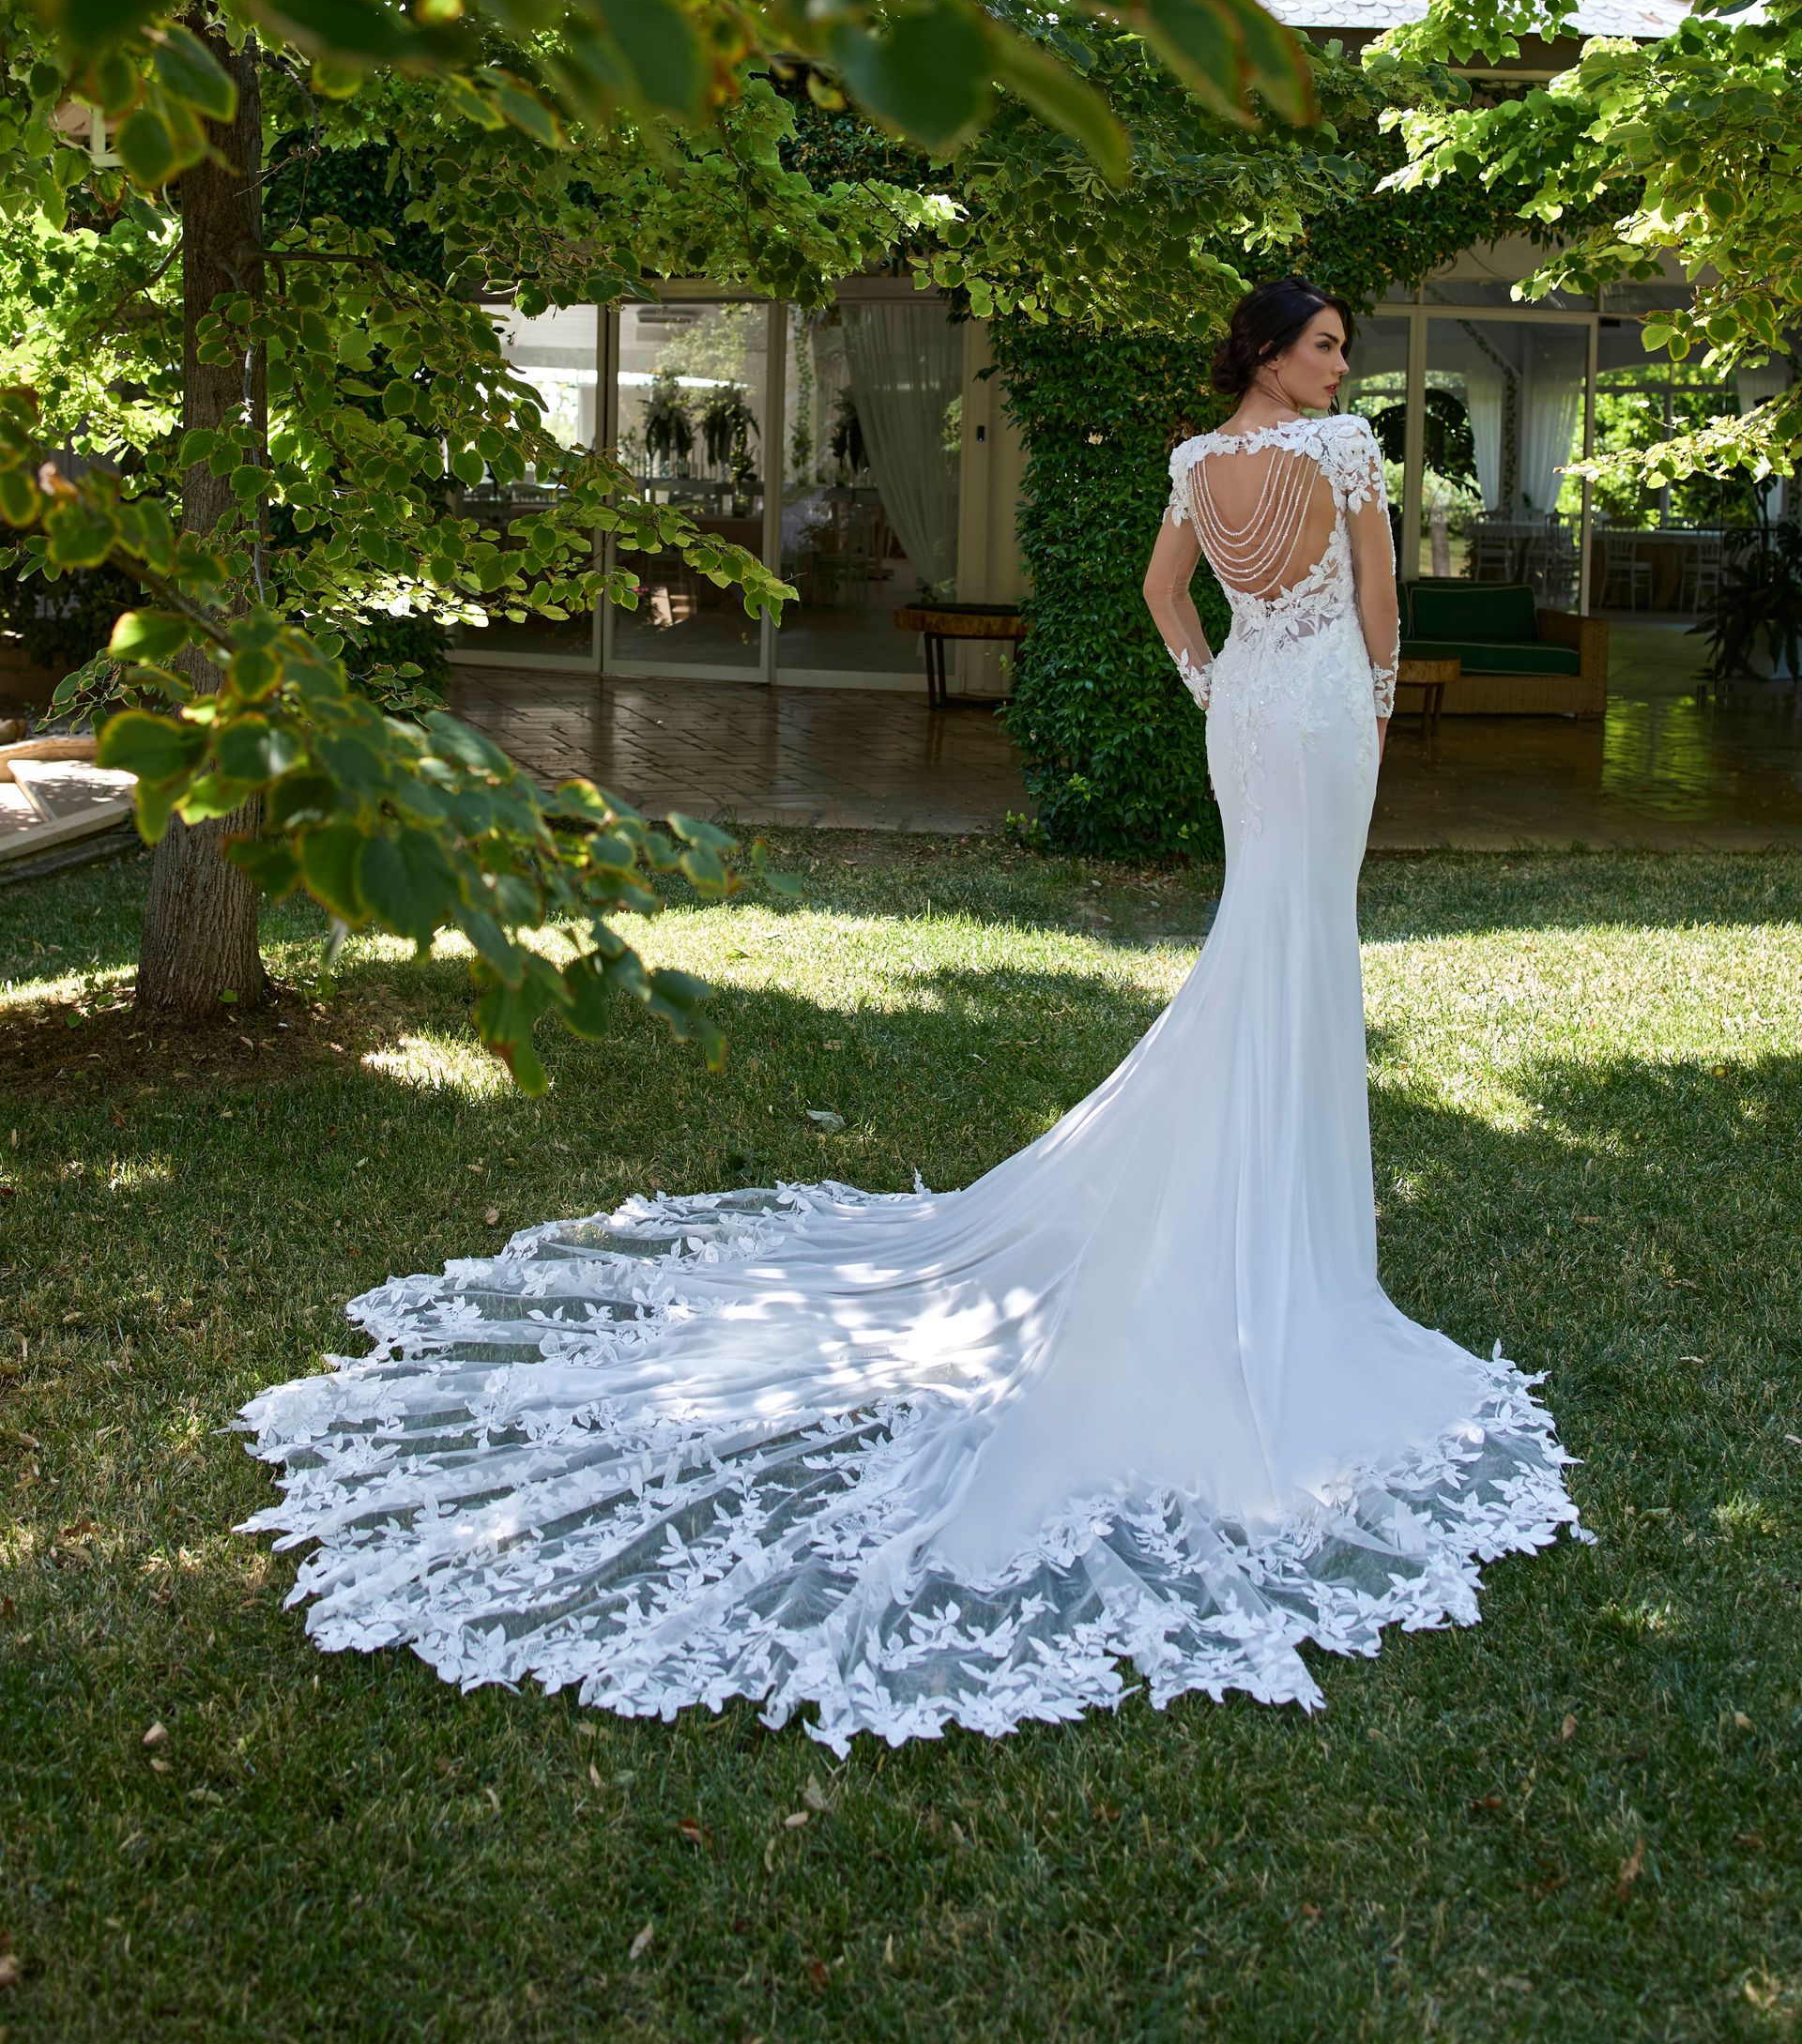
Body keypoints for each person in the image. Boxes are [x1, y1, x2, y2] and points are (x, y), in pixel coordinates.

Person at [240, 279, 1586, 1755]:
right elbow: (1381, 613)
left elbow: (1162, 598)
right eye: (1324, 342)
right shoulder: (1343, 461)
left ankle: (1248, 1190)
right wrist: (1375, 713)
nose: (1342, 363)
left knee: (1261, 938)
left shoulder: (1201, 469)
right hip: (1321, 717)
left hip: (1251, 717)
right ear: (1270, 355)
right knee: (1296, 942)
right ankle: (1283, 1234)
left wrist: (1215, 685)